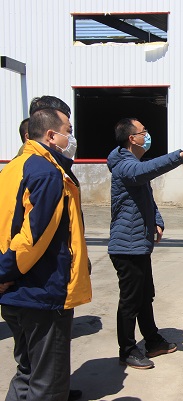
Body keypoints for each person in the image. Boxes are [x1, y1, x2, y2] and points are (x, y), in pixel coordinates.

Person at [0, 97, 92, 401]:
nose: (72, 137)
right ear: (52, 135)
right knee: (47, 384)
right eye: (69, 130)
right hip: (41, 290)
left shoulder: (13, 168)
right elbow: (33, 237)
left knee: (27, 372)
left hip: (15, 292)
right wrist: (5, 271)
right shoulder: (47, 173)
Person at [107, 118, 183, 369]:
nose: (147, 135)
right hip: (126, 246)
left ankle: (152, 340)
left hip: (138, 243)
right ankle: (127, 349)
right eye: (144, 131)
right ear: (132, 138)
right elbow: (146, 171)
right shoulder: (125, 166)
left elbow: (144, 197)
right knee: (130, 300)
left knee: (144, 295)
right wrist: (180, 156)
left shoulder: (132, 164)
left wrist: (157, 221)